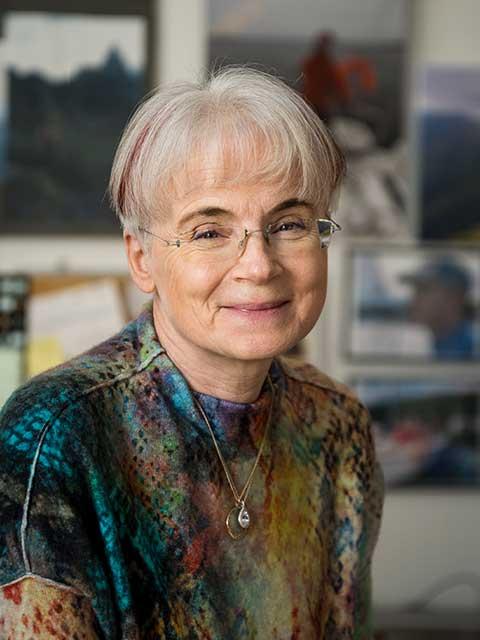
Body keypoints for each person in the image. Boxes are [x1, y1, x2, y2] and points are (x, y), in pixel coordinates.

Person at [0, 67, 384, 639]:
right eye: (208, 232)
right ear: (142, 259)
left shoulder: (336, 423)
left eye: (290, 223)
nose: (259, 265)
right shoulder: (52, 439)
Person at [401, 258, 476, 359]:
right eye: (416, 290)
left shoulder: (470, 352)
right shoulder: (447, 344)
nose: (414, 299)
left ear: (453, 297)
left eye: (424, 289)